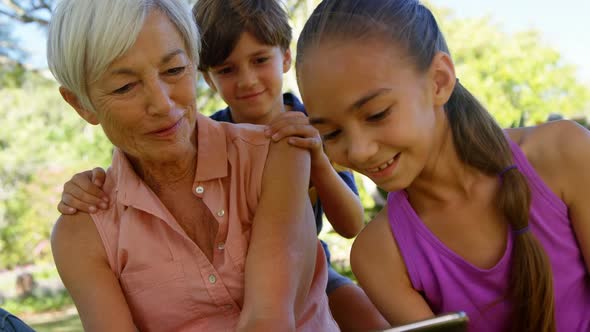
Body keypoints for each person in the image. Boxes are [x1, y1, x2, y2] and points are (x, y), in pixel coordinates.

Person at [56, 0, 387, 330]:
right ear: (81, 104)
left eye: (173, 70)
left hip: (314, 268)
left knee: (366, 312)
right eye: (124, 87)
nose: (162, 104)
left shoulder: (291, 141)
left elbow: (272, 315)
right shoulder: (85, 229)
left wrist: (319, 162)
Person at [270, 0, 589, 331]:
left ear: (439, 81)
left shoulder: (563, 153)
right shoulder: (379, 254)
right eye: (332, 133)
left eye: (377, 114)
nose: (360, 151)